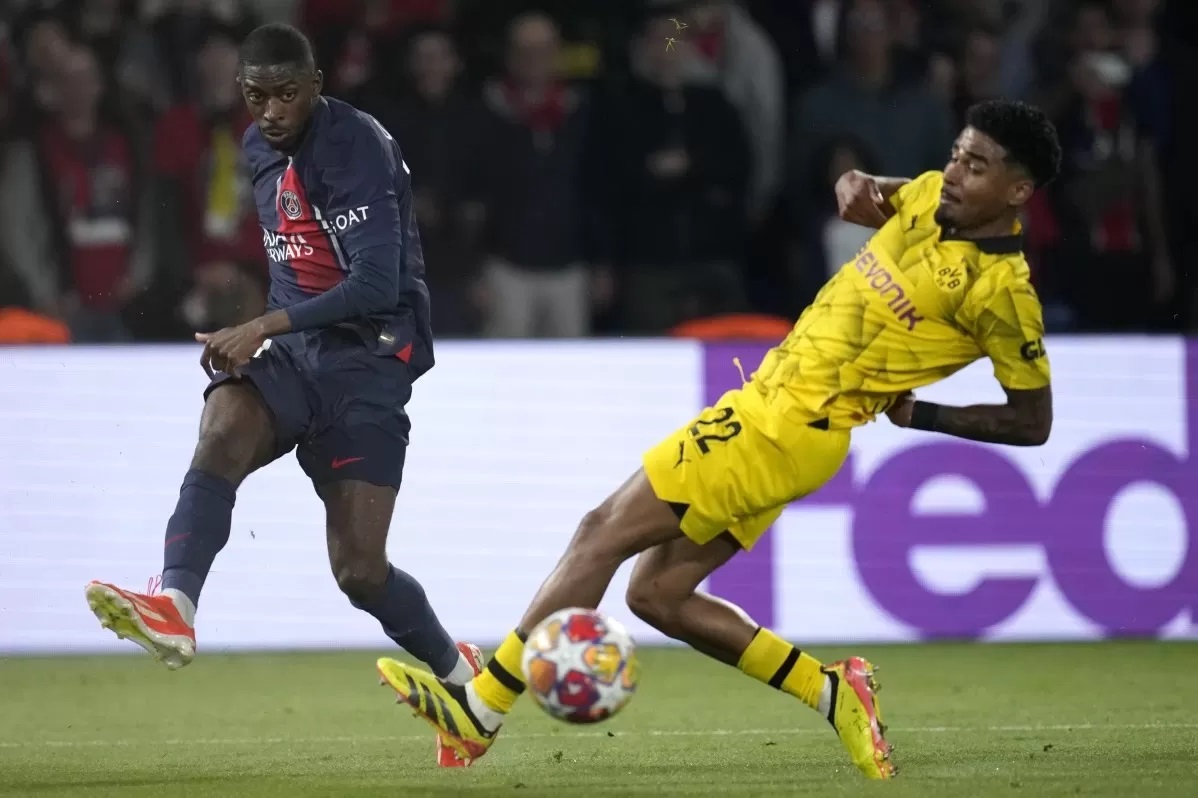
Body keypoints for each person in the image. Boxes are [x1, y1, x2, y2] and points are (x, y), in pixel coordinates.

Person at [377, 99, 1062, 780]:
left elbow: (1032, 421)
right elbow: (878, 193)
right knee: (658, 597)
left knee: (599, 532)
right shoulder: (928, 200)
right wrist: (857, 186)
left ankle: (482, 709)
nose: (954, 173)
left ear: (1018, 190)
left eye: (976, 167)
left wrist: (924, 417)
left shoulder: (1002, 292)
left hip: (783, 427)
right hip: (779, 417)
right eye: (956, 155)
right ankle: (831, 692)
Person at [84, 23, 483, 769]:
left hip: (370, 361)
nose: (269, 110)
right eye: (255, 94)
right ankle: (176, 606)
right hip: (299, 358)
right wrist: (262, 332)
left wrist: (259, 323)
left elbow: (374, 285)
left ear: (317, 84)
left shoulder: (355, 148)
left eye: (285, 94)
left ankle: (466, 685)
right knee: (223, 421)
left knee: (361, 572)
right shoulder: (258, 150)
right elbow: (294, 259)